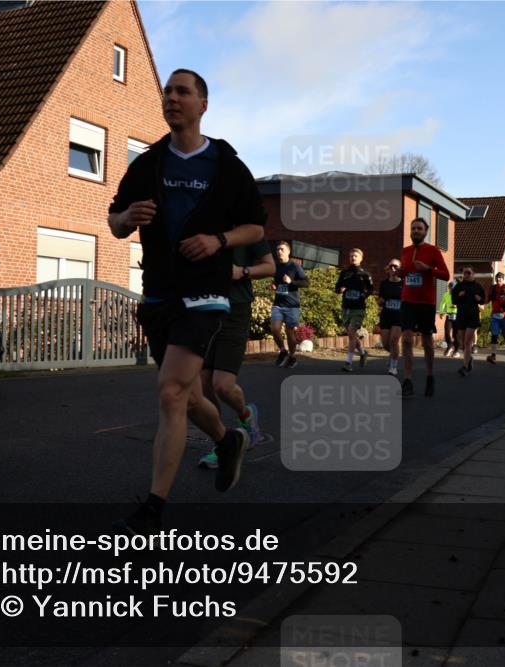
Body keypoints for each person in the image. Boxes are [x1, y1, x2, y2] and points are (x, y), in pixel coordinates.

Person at [107, 69, 266, 535]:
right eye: (167, 92)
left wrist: (219, 239)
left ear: (203, 105)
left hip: (207, 294)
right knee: (192, 398)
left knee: (171, 391)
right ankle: (228, 438)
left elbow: (256, 229)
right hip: (159, 294)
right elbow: (115, 222)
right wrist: (128, 215)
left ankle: (153, 509)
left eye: (182, 91)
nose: (172, 98)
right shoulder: (147, 163)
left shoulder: (226, 165)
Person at [197, 239, 274, 469]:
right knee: (202, 384)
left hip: (235, 309)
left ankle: (246, 415)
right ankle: (222, 445)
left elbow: (270, 267)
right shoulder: (201, 223)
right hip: (204, 308)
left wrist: (242, 271)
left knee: (223, 385)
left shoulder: (247, 228)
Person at [399, 217, 451, 397]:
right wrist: (397, 273)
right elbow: (405, 274)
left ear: (425, 231)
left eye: (419, 228)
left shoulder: (433, 251)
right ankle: (407, 380)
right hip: (407, 301)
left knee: (427, 342)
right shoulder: (405, 252)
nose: (415, 231)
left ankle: (430, 376)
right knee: (406, 339)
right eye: (413, 228)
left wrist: (428, 269)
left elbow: (446, 275)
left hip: (426, 303)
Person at [270, 241, 310, 369]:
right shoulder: (276, 267)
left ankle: (292, 357)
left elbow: (306, 283)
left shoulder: (295, 266)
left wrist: (291, 281)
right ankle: (283, 351)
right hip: (278, 304)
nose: (279, 252)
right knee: (275, 329)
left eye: (281, 249)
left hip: (292, 306)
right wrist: (274, 286)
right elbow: (277, 282)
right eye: (277, 250)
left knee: (290, 333)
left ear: (288, 251)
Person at [336, 248, 374, 372]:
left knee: (352, 332)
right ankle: (362, 353)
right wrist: (340, 289)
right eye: (351, 256)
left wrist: (364, 295)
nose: (353, 258)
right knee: (352, 334)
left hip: (358, 309)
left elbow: (370, 290)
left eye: (356, 256)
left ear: (361, 258)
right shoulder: (344, 273)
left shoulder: (365, 274)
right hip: (346, 307)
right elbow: (337, 287)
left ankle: (348, 362)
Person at [451, 267, 485, 376]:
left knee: (467, 342)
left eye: (469, 273)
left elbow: (484, 300)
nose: (466, 275)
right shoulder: (458, 286)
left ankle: (465, 367)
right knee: (463, 344)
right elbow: (453, 300)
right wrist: (459, 296)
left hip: (472, 317)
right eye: (464, 273)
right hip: (461, 316)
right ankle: (469, 359)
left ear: (473, 274)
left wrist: (479, 299)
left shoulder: (478, 286)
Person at [377, 259, 404, 376]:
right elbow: (380, 299)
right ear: (388, 268)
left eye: (396, 266)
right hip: (386, 315)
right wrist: (380, 301)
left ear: (399, 269)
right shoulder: (384, 283)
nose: (393, 268)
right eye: (391, 266)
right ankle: (393, 354)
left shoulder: (404, 284)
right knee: (386, 344)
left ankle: (393, 366)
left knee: (394, 341)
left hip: (399, 315)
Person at [485, 272, 505, 365]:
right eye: (497, 278)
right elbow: (487, 300)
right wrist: (480, 302)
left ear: (503, 279)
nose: (498, 280)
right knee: (494, 335)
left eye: (500, 278)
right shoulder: (492, 288)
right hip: (495, 316)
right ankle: (493, 355)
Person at [437, 280, 459, 357]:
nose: (451, 290)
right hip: (449, 315)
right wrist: (441, 312)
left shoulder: (458, 295)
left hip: (457, 316)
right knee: (447, 332)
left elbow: (463, 303)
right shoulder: (446, 295)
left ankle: (456, 351)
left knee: (455, 334)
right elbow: (442, 303)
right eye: (450, 288)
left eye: (452, 289)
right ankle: (449, 346)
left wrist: (457, 306)